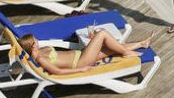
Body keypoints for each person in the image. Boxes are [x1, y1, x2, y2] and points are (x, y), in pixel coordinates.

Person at [19, 29, 154, 73]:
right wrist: (81, 69)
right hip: (81, 62)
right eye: (35, 40)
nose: (38, 40)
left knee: (111, 48)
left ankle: (142, 43)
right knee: (102, 34)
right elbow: (58, 72)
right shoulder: (41, 59)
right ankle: (126, 53)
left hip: (81, 54)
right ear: (33, 46)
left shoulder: (40, 51)